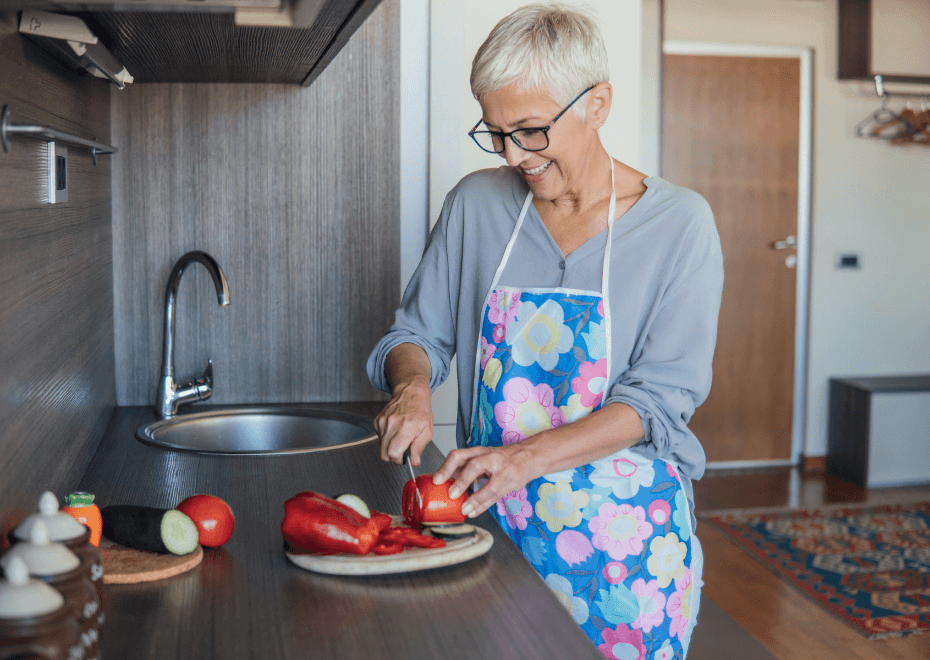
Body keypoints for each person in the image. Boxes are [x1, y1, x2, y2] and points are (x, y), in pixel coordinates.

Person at [367, 3, 723, 657]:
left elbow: (658, 400)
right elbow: (416, 332)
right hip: (487, 523)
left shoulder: (679, 225)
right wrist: (413, 387)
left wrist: (524, 460)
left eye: (530, 130)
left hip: (626, 547)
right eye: (495, 132)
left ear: (598, 104)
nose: (512, 155)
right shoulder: (477, 204)